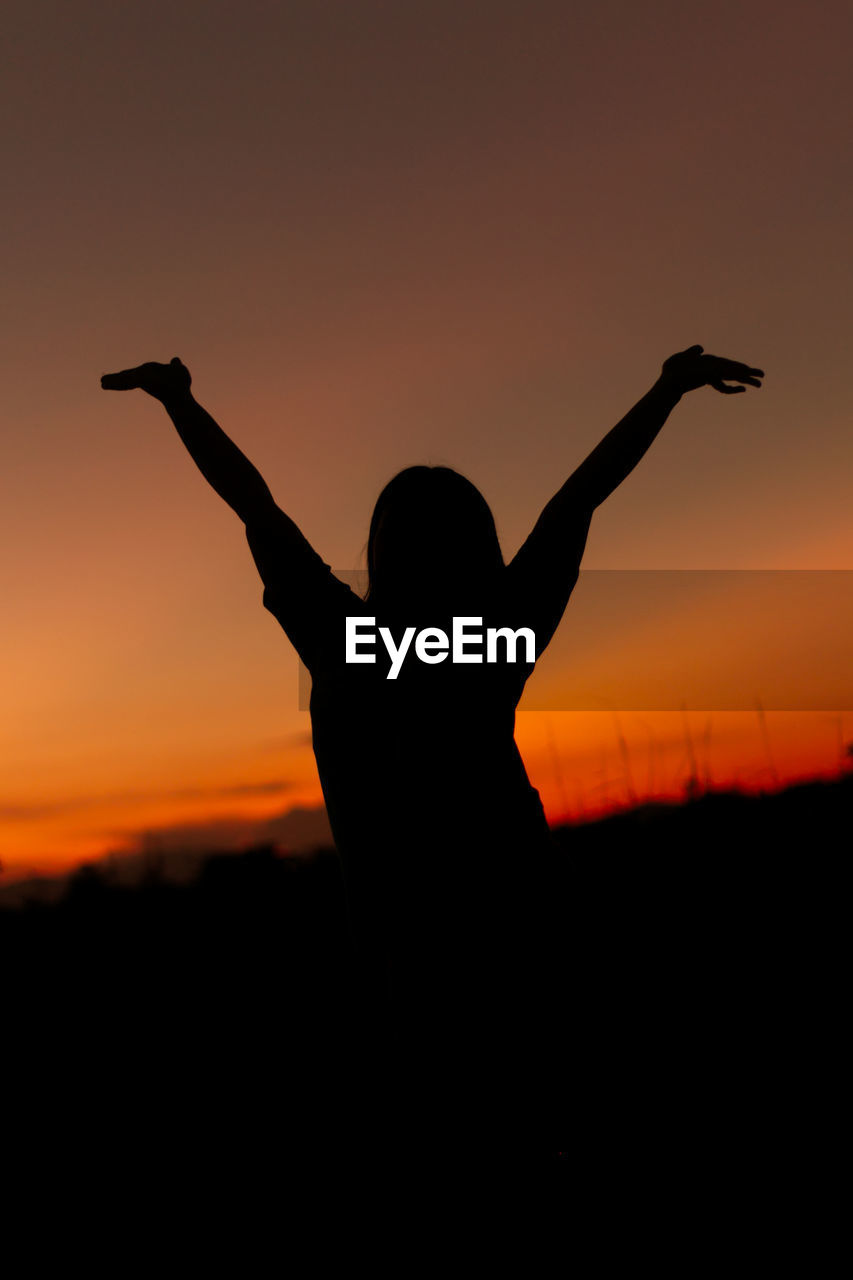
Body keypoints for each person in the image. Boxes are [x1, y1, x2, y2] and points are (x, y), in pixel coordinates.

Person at [101, 344, 763, 1166]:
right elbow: (577, 500)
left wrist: (180, 404)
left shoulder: (346, 642)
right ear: (478, 548)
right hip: (533, 930)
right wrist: (665, 391)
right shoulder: (495, 637)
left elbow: (255, 506)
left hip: (423, 961)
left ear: (384, 551)